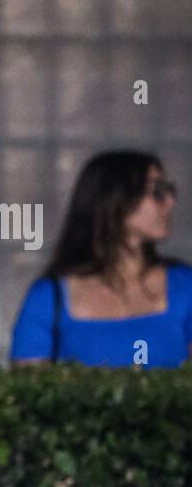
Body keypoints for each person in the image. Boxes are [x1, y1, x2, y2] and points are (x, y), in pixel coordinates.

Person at [11, 151, 183, 367]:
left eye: (169, 190)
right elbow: (30, 390)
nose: (170, 202)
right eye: (157, 191)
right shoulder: (49, 296)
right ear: (117, 198)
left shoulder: (184, 286)